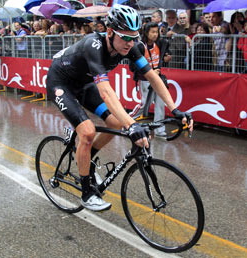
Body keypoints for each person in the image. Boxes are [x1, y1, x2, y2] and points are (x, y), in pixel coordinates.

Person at [46, 4, 193, 212]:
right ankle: (87, 193)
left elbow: (153, 77)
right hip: (60, 83)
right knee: (87, 132)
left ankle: (88, 160)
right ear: (109, 32)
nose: (130, 43)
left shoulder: (131, 47)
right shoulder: (93, 45)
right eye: (124, 37)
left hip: (84, 84)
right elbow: (106, 91)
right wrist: (132, 125)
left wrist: (175, 109)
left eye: (133, 37)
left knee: (116, 124)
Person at [129, 22, 172, 137]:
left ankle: (159, 131)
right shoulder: (139, 46)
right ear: (146, 33)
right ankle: (127, 121)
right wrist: (149, 71)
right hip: (145, 80)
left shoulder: (160, 43)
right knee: (144, 105)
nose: (155, 34)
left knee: (160, 104)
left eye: (156, 32)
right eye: (152, 32)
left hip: (158, 79)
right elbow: (132, 66)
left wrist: (167, 57)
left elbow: (166, 55)